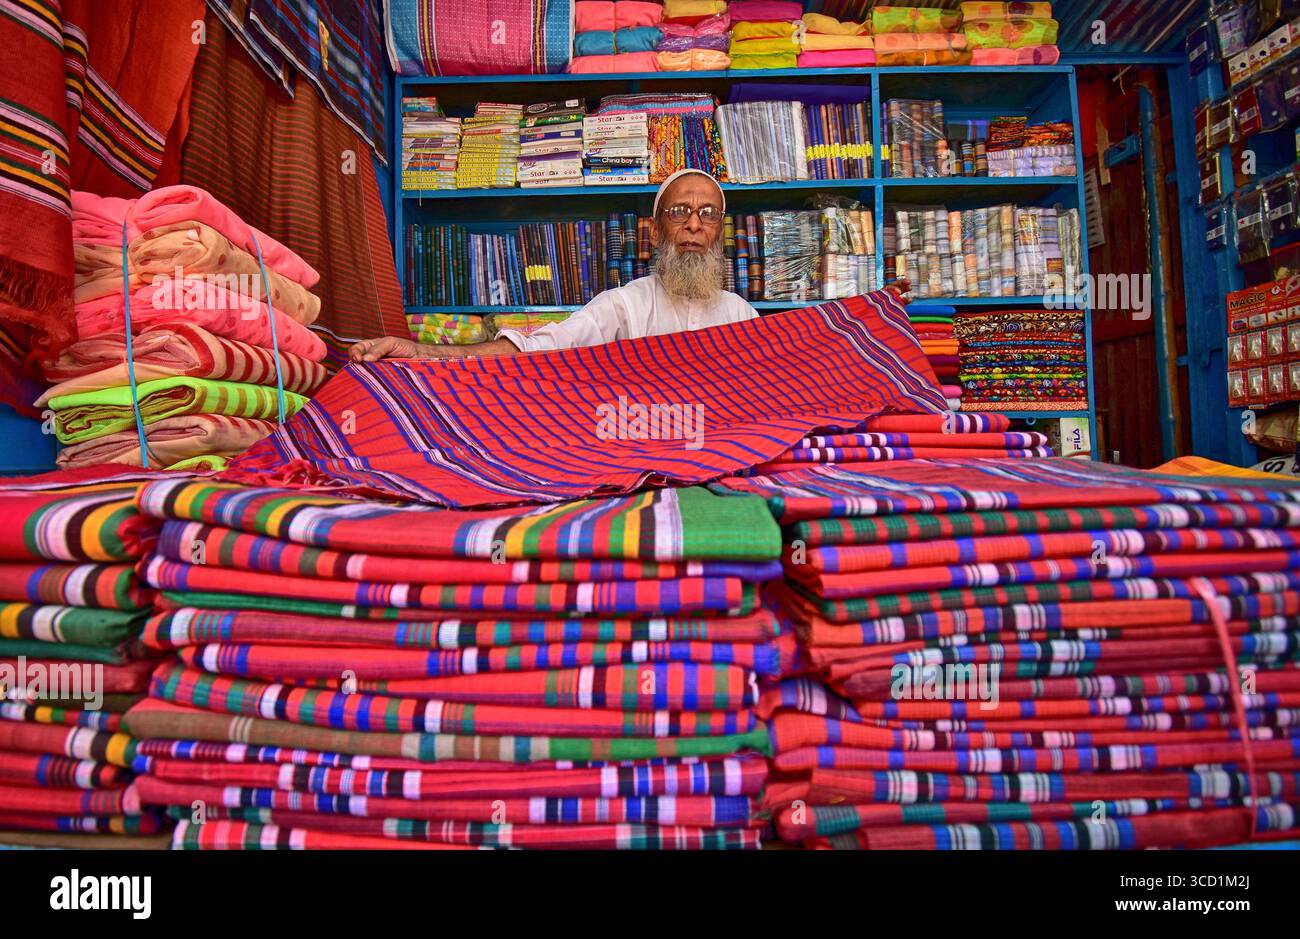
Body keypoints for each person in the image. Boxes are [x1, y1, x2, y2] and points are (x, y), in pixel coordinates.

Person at [350, 169, 758, 362]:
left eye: (707, 213)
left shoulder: (743, 316)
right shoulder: (624, 305)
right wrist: (419, 353)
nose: (693, 223)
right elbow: (540, 348)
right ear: (654, 233)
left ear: (718, 232)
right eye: (679, 210)